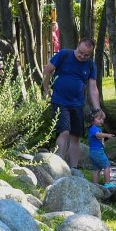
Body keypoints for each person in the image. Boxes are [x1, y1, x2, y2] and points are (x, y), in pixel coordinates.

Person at [42, 37, 101, 169]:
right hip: (60, 101)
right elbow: (47, 70)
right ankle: (57, 168)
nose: (82, 56)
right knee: (63, 132)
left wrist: (97, 109)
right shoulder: (64, 55)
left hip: (77, 104)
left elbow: (92, 87)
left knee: (75, 137)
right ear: (77, 46)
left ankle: (74, 169)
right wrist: (46, 90)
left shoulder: (90, 65)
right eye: (80, 52)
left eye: (86, 55)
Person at [87, 109, 115, 188]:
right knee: (107, 165)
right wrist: (107, 135)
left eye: (102, 119)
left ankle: (94, 184)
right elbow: (98, 135)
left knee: (97, 169)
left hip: (93, 152)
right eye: (99, 119)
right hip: (97, 152)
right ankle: (107, 183)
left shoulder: (94, 128)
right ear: (92, 120)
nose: (101, 121)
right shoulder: (94, 128)